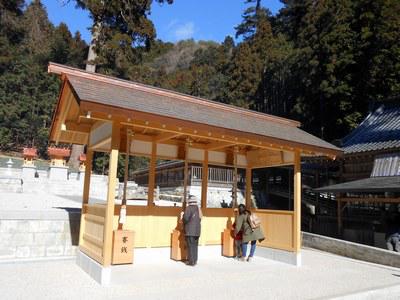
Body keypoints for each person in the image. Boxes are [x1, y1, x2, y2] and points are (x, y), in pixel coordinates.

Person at [181, 195, 202, 266]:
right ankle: (195, 260)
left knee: (190, 246)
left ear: (189, 201)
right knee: (195, 246)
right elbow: (200, 218)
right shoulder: (198, 208)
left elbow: (186, 219)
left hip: (190, 231)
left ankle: (191, 262)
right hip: (197, 231)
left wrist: (182, 216)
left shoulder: (189, 208)